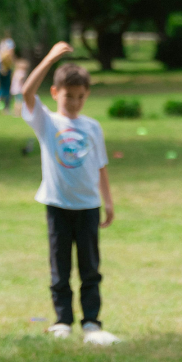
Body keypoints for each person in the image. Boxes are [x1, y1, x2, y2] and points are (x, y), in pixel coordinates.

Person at [21, 41, 119, 345]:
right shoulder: (47, 122)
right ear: (55, 93)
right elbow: (26, 93)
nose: (74, 102)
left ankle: (91, 320)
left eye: (80, 96)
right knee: (59, 266)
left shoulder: (92, 127)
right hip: (58, 204)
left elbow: (101, 165)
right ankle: (62, 320)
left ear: (87, 95)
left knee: (90, 267)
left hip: (88, 206)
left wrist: (108, 201)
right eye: (68, 96)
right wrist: (49, 58)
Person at [0, 30, 15, 112]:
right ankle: (7, 108)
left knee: (1, 85)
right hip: (6, 65)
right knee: (7, 86)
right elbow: (11, 54)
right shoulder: (9, 42)